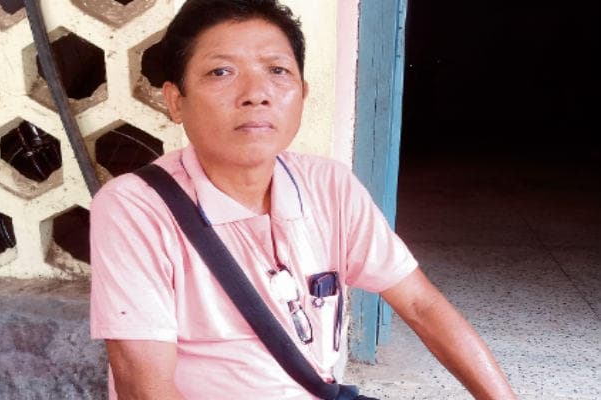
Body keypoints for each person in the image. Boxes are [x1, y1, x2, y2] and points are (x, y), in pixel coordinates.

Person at [89, 1, 518, 399]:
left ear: (302, 93)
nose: (256, 93)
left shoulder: (329, 185)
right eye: (221, 72)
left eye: (278, 70)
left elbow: (422, 305)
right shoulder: (136, 208)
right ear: (175, 101)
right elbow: (144, 388)